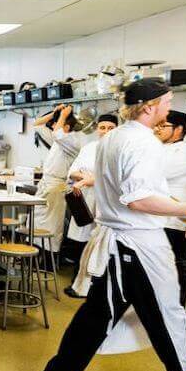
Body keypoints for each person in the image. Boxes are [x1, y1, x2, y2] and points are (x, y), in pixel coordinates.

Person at [37, 78, 186, 371]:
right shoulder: (144, 144)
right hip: (140, 245)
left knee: (95, 316)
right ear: (151, 106)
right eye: (168, 103)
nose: (170, 109)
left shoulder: (113, 138)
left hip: (116, 243)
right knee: (168, 319)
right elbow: (139, 199)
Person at [155, 110, 186, 353]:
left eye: (164, 125)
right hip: (161, 219)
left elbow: (155, 172)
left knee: (177, 270)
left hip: (179, 222)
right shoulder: (162, 149)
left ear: (179, 129)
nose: (158, 129)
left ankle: (175, 318)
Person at [63, 113, 119, 298]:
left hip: (107, 201)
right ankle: (78, 282)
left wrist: (89, 179)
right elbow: (72, 171)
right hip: (84, 198)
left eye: (111, 128)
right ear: (97, 129)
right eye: (103, 127)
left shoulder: (120, 150)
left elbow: (113, 177)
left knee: (101, 243)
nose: (106, 131)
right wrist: (84, 178)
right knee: (80, 241)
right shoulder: (89, 147)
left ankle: (93, 286)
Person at [32, 104, 86, 253]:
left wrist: (63, 115)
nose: (53, 126)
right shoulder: (58, 140)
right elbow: (37, 125)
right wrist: (55, 113)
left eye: (56, 124)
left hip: (57, 185)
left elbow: (57, 133)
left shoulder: (72, 141)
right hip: (46, 183)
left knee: (52, 223)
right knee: (38, 220)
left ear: (67, 127)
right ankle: (36, 253)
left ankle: (49, 257)